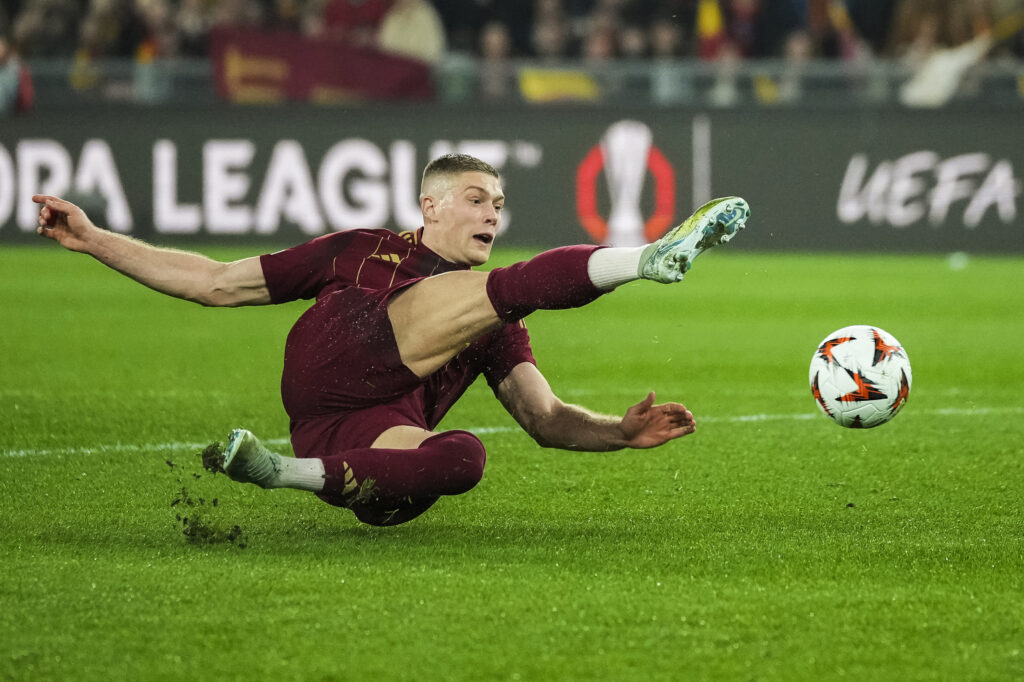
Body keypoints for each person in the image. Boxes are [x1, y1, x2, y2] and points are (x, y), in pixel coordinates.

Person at [33, 154, 750, 527]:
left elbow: (545, 419)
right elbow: (216, 281)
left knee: (467, 455)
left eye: (499, 203)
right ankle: (645, 259)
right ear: (429, 206)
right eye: (476, 199)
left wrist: (618, 432)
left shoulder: (490, 322)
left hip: (354, 455)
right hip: (330, 374)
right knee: (501, 288)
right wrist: (94, 239)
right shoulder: (361, 250)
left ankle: (277, 473)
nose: (491, 213)